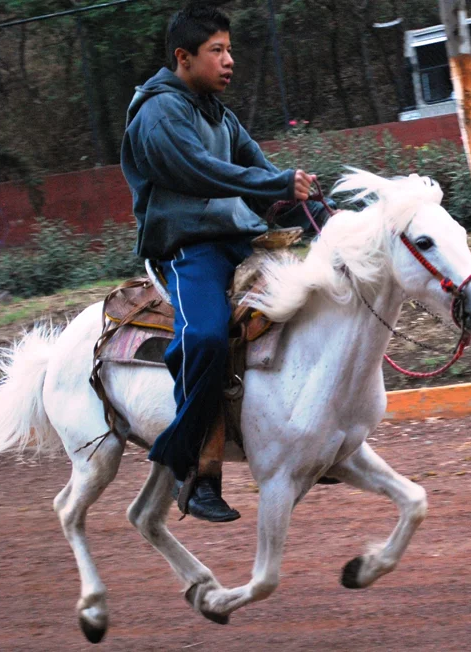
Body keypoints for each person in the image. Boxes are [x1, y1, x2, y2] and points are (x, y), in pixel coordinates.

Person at [120, 4, 329, 522]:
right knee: (206, 338)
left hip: (237, 241)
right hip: (188, 248)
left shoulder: (220, 114)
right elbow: (203, 173)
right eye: (217, 51)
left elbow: (259, 172)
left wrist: (320, 211)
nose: (229, 60)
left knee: (317, 304)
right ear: (183, 57)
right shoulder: (157, 114)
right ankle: (184, 465)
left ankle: (314, 438)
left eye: (229, 49)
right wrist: (274, 185)